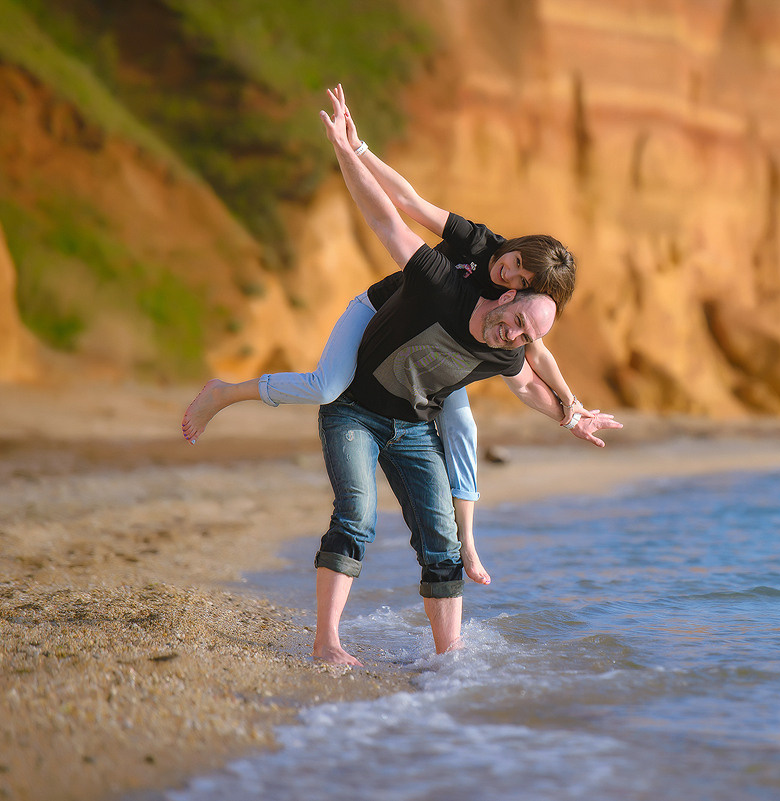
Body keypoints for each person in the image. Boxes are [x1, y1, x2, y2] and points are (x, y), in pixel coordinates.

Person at [181, 86, 590, 585]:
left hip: (439, 356)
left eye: (523, 282)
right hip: (383, 313)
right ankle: (225, 393)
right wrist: (358, 150)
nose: (510, 276)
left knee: (463, 429)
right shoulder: (482, 243)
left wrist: (570, 407)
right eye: (516, 265)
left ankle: (466, 543)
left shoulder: (513, 317)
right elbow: (406, 204)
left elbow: (533, 359)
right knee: (328, 387)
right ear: (519, 246)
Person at [312, 86, 621, 663]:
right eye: (509, 273)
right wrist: (352, 151)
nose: (515, 331)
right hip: (360, 393)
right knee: (356, 517)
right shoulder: (458, 266)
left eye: (526, 331)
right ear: (510, 282)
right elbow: (397, 211)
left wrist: (569, 414)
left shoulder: (515, 339)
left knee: (445, 531)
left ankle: (448, 659)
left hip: (414, 421)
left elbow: (532, 374)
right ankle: (327, 642)